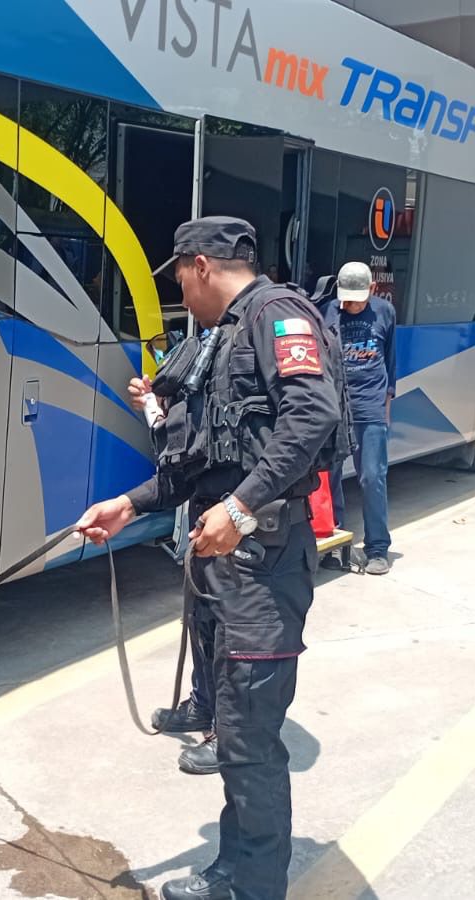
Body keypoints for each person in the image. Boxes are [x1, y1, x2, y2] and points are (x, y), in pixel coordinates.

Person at [76, 216, 343, 900]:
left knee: (251, 737)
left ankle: (254, 886)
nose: (180, 296)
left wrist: (243, 507)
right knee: (233, 727)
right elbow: (199, 464)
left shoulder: (278, 316)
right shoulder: (218, 339)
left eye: (180, 279)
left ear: (199, 265)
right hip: (228, 567)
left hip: (264, 563)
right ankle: (233, 870)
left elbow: (313, 418)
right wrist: (130, 505)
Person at [324, 261, 396, 574]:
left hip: (370, 407)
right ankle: (335, 544)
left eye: (357, 297)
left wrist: (386, 404)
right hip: (335, 408)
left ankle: (378, 548)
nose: (350, 304)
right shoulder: (328, 312)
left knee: (372, 477)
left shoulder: (384, 313)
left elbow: (390, 361)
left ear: (372, 290)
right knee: (330, 477)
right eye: (346, 298)